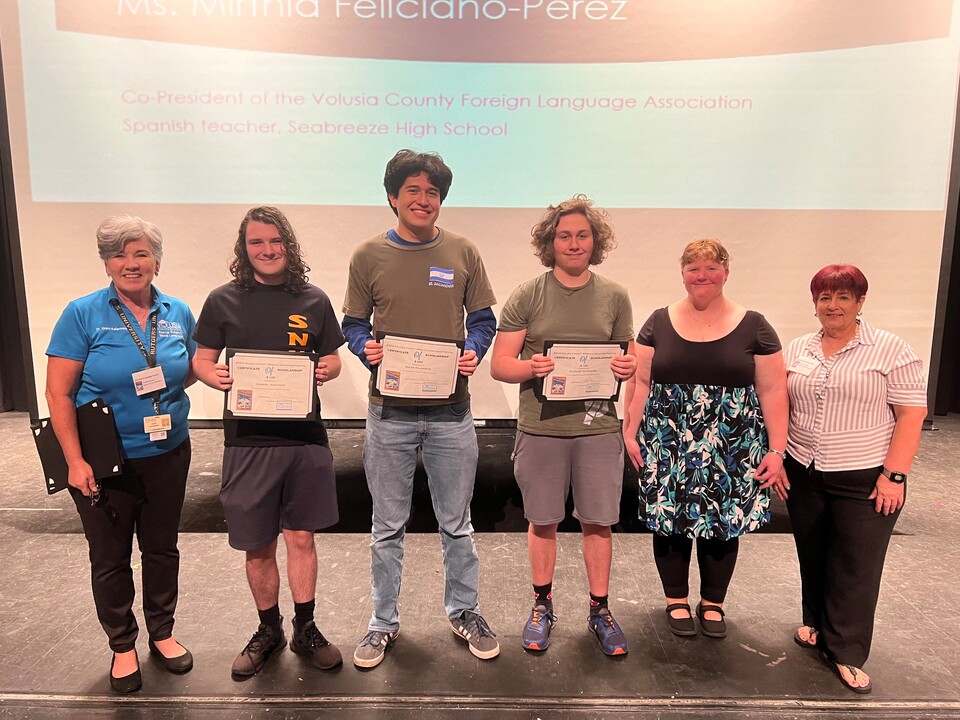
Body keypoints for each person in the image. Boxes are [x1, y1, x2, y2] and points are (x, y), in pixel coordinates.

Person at [342, 149, 499, 668]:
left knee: (458, 524)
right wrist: (365, 347)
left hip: (452, 412)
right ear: (393, 197)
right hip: (389, 413)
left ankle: (465, 610)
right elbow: (353, 324)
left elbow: (482, 318)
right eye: (412, 190)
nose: (423, 199)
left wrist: (475, 346)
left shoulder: (463, 252)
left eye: (432, 192)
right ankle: (382, 622)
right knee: (386, 527)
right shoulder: (367, 255)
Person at [192, 206, 345, 679]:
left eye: (275, 241)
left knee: (301, 537)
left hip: (304, 439)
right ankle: (268, 629)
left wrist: (326, 368)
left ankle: (305, 627)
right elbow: (201, 359)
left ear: (288, 244)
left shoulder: (314, 300)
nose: (267, 249)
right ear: (245, 249)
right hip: (247, 441)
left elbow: (334, 359)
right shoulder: (222, 300)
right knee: (257, 544)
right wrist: (211, 374)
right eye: (257, 242)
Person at [45, 215, 195, 693]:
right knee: (110, 557)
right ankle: (123, 645)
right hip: (104, 460)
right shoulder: (82, 313)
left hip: (168, 450)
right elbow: (57, 394)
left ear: (156, 259)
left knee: (161, 548)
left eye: (141, 253)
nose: (131, 264)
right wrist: (74, 460)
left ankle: (163, 633)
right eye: (119, 255)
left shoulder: (178, 311)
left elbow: (189, 367)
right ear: (106, 262)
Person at [490, 195, 636, 656]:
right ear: (549, 243)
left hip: (597, 429)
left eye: (582, 235)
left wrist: (627, 369)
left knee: (598, 523)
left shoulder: (615, 295)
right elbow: (499, 365)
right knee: (543, 521)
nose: (574, 244)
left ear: (596, 242)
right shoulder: (527, 294)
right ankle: (541, 606)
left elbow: (626, 358)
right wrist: (531, 367)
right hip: (542, 429)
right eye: (564, 236)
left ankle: (600, 610)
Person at [622, 238, 787, 639]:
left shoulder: (755, 324)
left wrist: (777, 449)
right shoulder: (657, 321)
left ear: (726, 273)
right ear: (682, 274)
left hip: (732, 444)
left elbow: (773, 390)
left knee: (722, 522)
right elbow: (640, 383)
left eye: (712, 267)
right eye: (694, 268)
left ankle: (713, 602)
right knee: (669, 521)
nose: (703, 275)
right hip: (667, 438)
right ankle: (675, 599)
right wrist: (629, 431)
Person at [778, 264, 926, 694]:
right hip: (805, 471)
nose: (833, 305)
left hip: (865, 476)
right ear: (815, 304)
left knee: (855, 565)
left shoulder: (891, 350)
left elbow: (911, 415)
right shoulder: (798, 349)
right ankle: (817, 626)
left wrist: (894, 476)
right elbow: (781, 405)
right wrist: (781, 461)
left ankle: (846, 651)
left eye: (844, 297)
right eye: (825, 297)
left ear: (861, 302)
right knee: (814, 554)